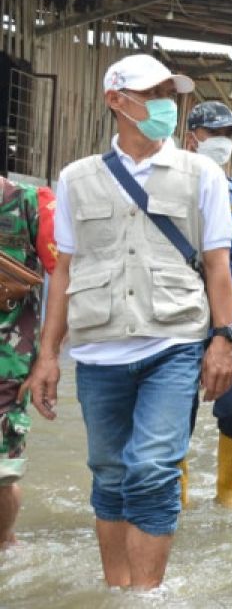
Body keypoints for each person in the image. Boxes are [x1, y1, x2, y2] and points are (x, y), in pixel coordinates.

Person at [22, 53, 232, 589]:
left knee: (154, 469)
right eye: (153, 93)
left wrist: (223, 340)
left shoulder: (201, 174)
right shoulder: (75, 179)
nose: (166, 103)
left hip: (175, 341)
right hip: (98, 352)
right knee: (111, 473)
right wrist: (48, 356)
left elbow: (217, 267)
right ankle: (116, 591)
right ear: (116, 101)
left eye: (170, 92)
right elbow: (63, 273)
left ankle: (147, 596)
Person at [180, 101, 232, 510]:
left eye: (229, 135)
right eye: (215, 134)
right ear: (193, 137)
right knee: (175, 410)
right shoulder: (174, 185)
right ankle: (179, 494)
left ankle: (228, 489)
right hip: (180, 315)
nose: (223, 142)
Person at [0, 175, 56, 547]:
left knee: (1, 475)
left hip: (7, 367)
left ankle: (4, 545)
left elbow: (67, 279)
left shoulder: (31, 203)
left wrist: (47, 359)